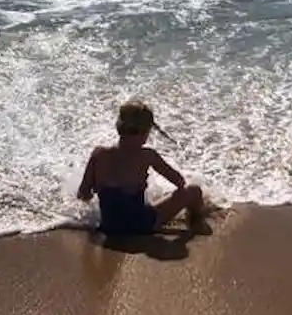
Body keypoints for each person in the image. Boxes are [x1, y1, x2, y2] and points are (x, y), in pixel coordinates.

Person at [77, 100, 206, 235]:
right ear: (145, 131)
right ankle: (195, 222)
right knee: (194, 190)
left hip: (109, 226)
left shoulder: (99, 154)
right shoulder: (148, 155)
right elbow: (179, 181)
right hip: (141, 225)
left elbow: (83, 193)